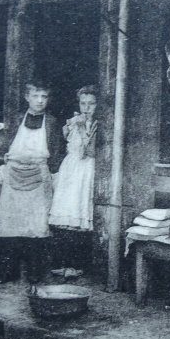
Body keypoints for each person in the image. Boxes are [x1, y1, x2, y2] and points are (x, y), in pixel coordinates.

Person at [0, 81, 63, 284]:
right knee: (10, 223)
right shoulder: (16, 120)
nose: (40, 101)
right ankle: (10, 270)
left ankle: (35, 271)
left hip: (39, 175)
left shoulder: (51, 122)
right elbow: (5, 146)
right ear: (27, 97)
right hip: (13, 173)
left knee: (37, 224)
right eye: (36, 96)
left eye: (44, 97)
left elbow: (57, 152)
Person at [48, 85, 99, 275]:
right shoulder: (72, 123)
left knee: (81, 214)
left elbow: (90, 152)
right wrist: (73, 127)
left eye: (91, 104)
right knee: (66, 213)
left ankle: (78, 266)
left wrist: (82, 127)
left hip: (87, 169)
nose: (86, 108)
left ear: (98, 105)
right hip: (70, 169)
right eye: (83, 103)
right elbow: (66, 146)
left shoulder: (97, 125)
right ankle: (62, 263)